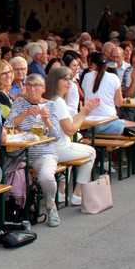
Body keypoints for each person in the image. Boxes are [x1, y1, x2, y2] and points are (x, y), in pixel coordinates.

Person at [81, 53, 135, 177]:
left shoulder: (86, 76)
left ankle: (107, 160)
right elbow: (119, 103)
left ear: (93, 65)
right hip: (107, 124)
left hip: (88, 125)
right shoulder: (113, 78)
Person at [6, 74, 62, 225]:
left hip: (43, 152)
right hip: (19, 153)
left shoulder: (50, 106)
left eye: (36, 85)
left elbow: (56, 136)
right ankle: (17, 210)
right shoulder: (19, 103)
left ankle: (51, 206)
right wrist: (25, 113)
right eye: (29, 85)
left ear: (43, 89)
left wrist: (46, 121)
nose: (32, 89)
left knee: (46, 177)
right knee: (5, 172)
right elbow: (7, 125)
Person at [45, 64, 98, 204]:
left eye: (71, 79)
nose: (70, 83)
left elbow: (68, 124)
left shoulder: (51, 99)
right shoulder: (59, 101)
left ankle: (62, 191)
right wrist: (85, 112)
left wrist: (84, 112)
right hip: (59, 148)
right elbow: (70, 130)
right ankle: (77, 193)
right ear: (56, 81)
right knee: (91, 152)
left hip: (51, 147)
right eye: (66, 79)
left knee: (73, 153)